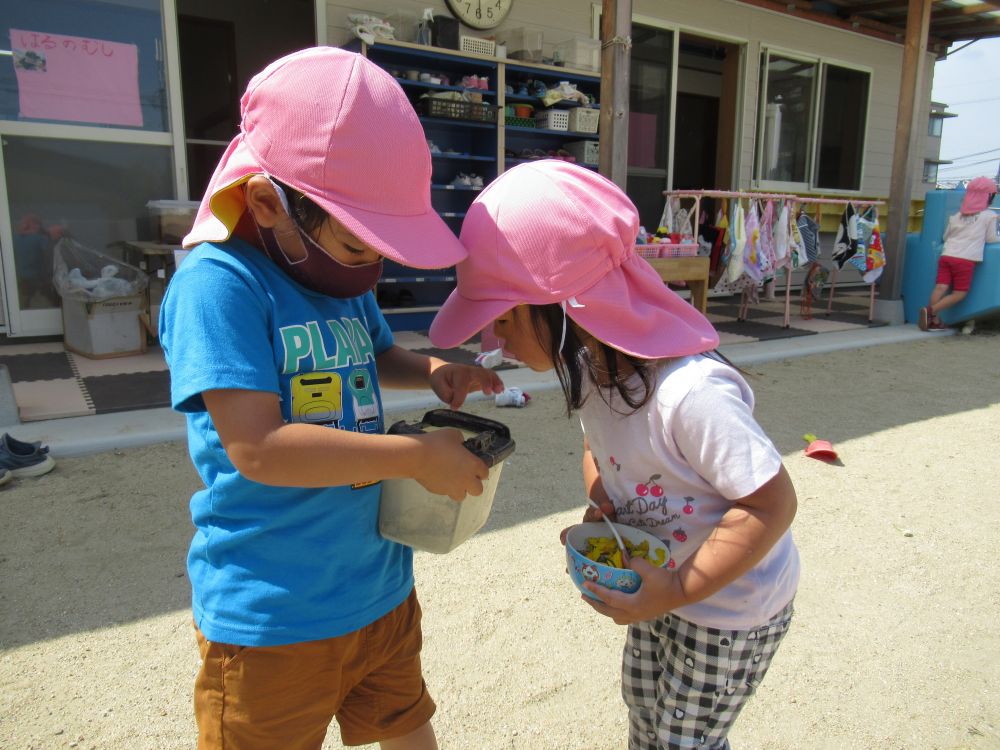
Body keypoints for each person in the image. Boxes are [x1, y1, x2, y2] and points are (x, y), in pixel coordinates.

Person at [158, 47, 504, 750]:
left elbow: (375, 356)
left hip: (377, 587)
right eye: (358, 246)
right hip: (274, 612)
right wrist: (411, 456)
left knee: (407, 726)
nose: (371, 267)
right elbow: (258, 448)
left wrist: (435, 368)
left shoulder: (332, 272)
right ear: (266, 202)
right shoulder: (219, 285)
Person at [429, 160, 800, 750]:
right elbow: (598, 449)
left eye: (502, 318)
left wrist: (677, 591)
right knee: (645, 707)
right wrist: (604, 503)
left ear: (567, 307)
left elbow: (771, 504)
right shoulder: (592, 369)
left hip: (730, 602)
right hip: (659, 578)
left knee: (686, 737)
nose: (492, 341)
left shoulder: (692, 394)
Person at [919, 176, 998, 331]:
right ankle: (930, 312)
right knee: (959, 293)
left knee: (940, 287)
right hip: (965, 259)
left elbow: (945, 236)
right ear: (988, 197)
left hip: (947, 255)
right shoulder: (989, 216)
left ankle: (934, 321)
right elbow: (991, 238)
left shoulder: (956, 216)